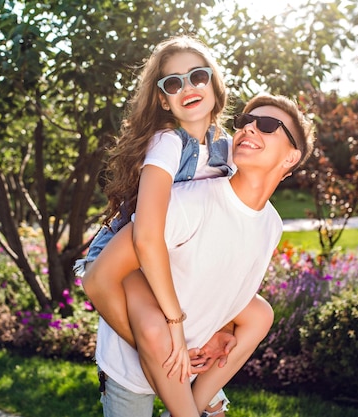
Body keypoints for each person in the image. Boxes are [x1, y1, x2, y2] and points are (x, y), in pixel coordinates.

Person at [83, 93, 315, 417]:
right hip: (129, 365)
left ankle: (192, 403)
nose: (249, 129)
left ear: (292, 157)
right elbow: (99, 279)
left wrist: (220, 333)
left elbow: (228, 291)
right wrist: (163, 351)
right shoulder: (188, 203)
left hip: (188, 360)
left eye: (266, 125)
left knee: (260, 314)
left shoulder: (271, 226)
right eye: (245, 122)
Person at [74, 35, 250, 416]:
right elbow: (147, 236)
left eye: (197, 76)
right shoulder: (168, 143)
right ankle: (175, 369)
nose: (187, 88)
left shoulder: (226, 148)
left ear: (215, 84)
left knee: (256, 317)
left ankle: (180, 374)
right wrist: (174, 327)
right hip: (128, 268)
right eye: (173, 83)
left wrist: (222, 328)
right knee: (151, 357)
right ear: (162, 99)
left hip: (172, 288)